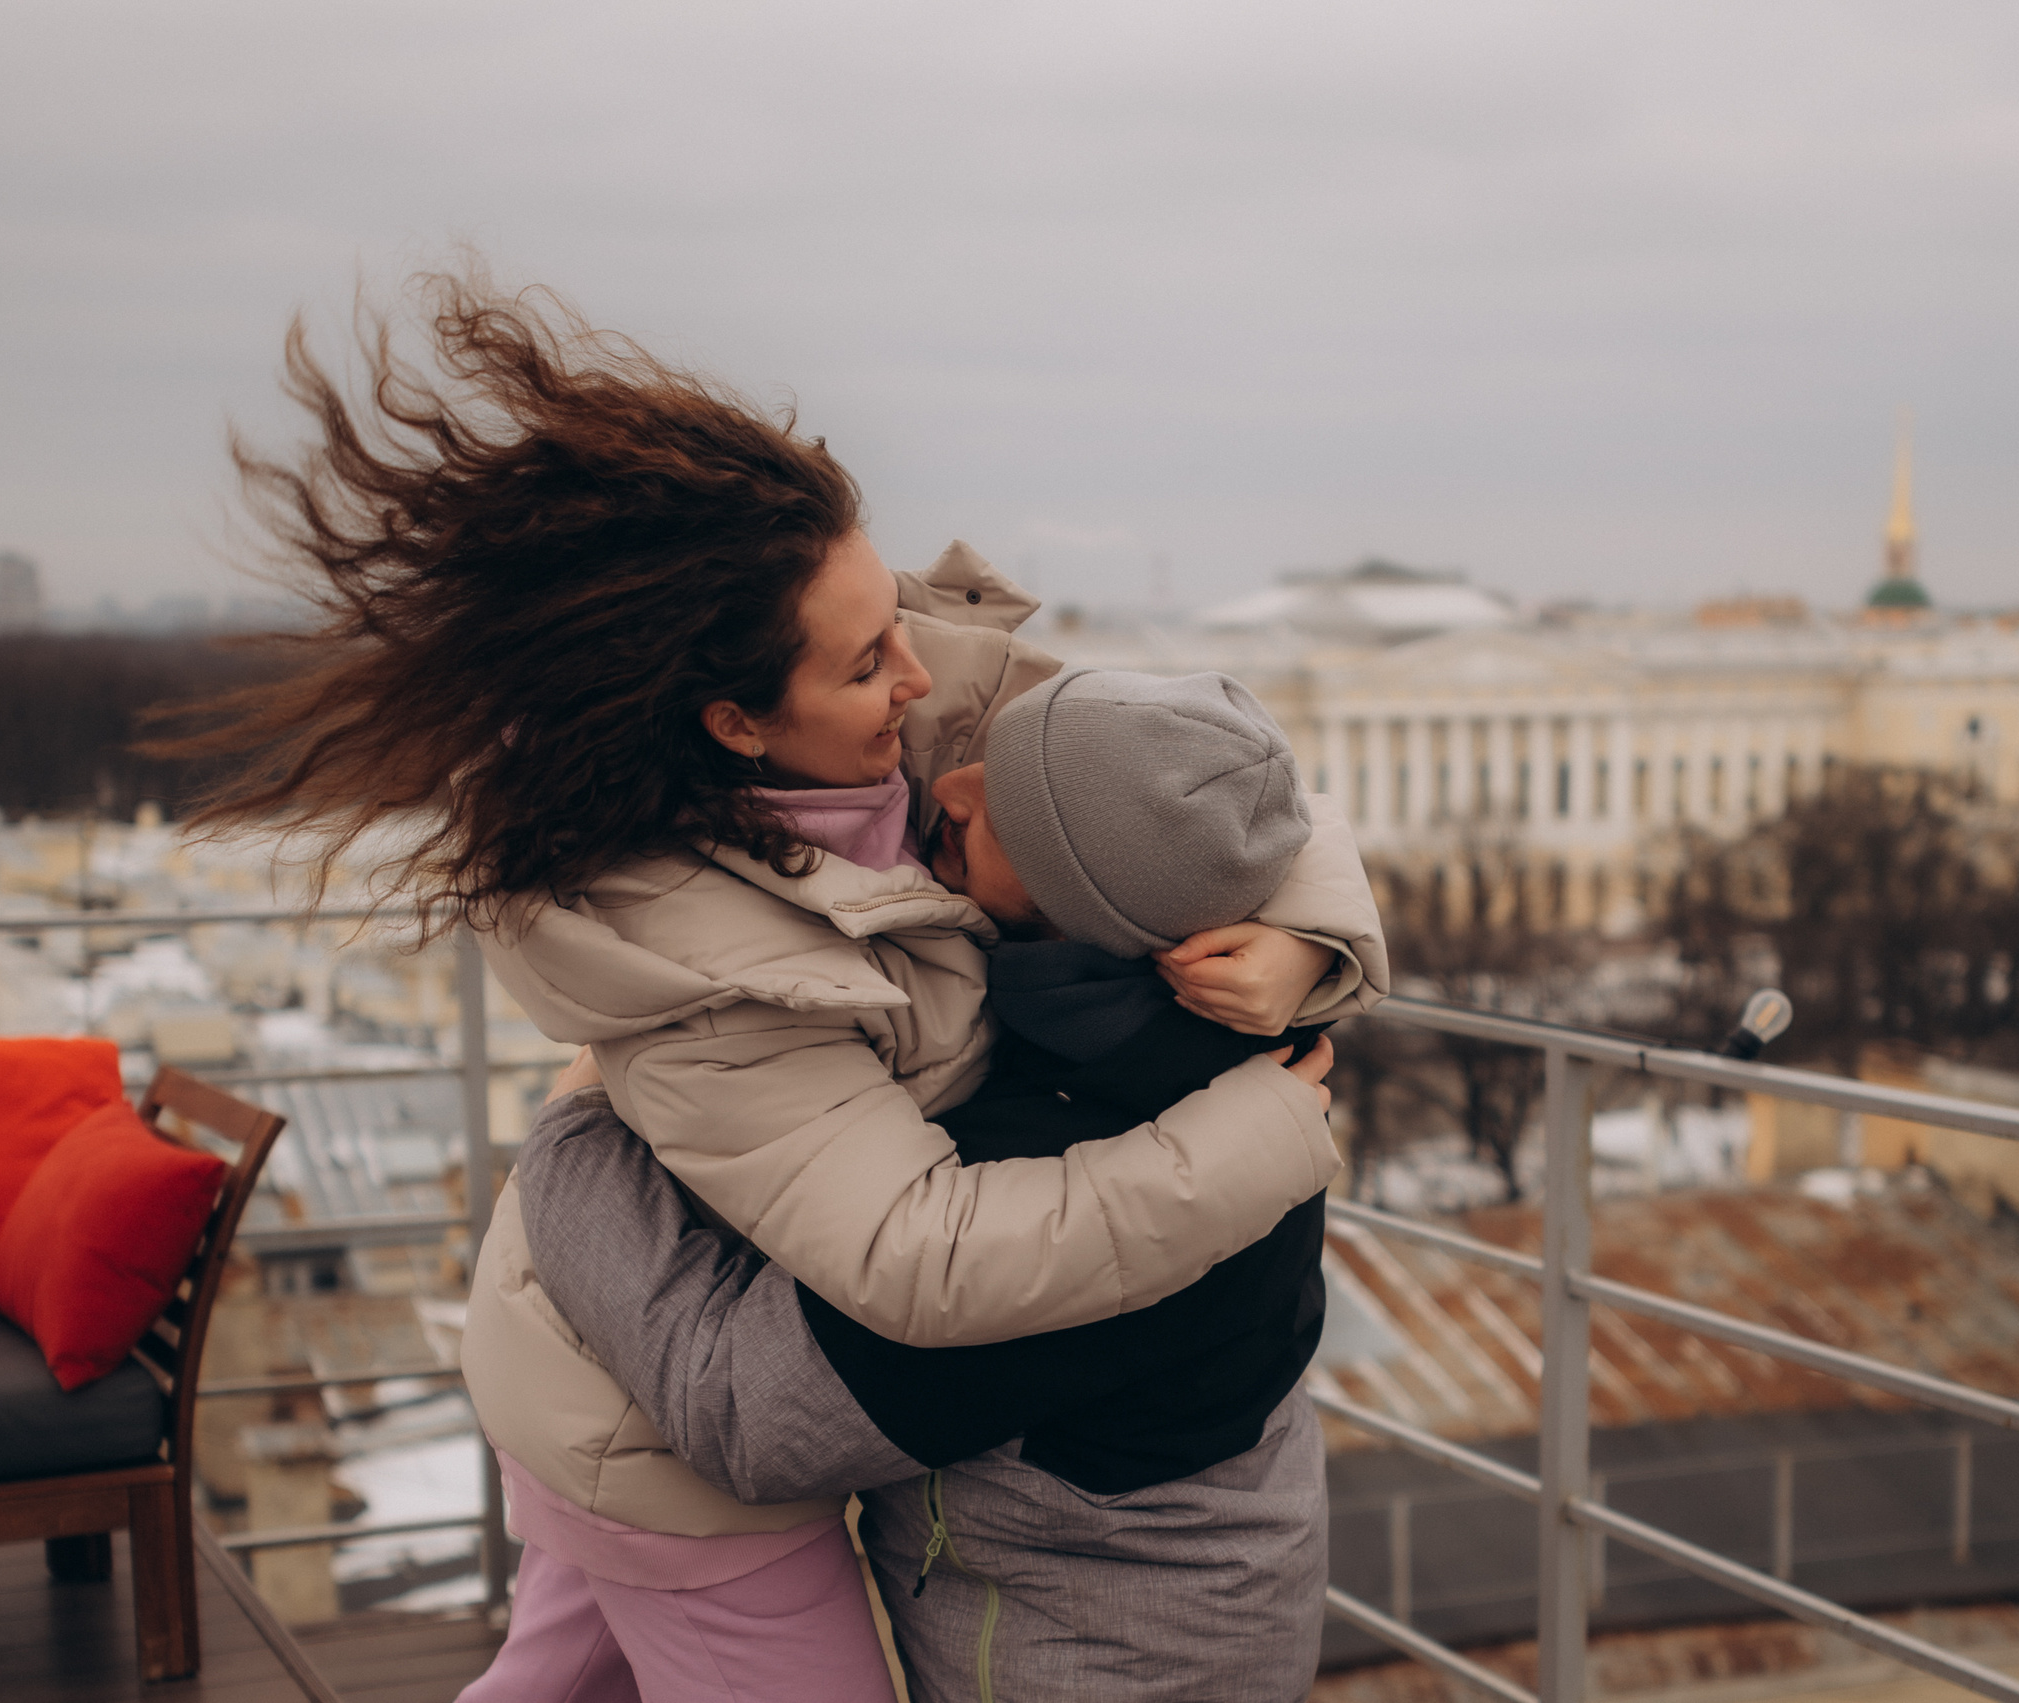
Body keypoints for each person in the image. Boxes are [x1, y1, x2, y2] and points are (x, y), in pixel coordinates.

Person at [161, 272, 1382, 1701]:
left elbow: (1205, 790)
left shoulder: (903, 719)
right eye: (870, 662)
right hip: (648, 1420)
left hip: (726, 1321)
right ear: (736, 719)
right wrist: (1262, 1135)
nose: (928, 688)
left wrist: (1308, 946)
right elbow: (917, 1257)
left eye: (898, 625)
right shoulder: (685, 953)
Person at [521, 666, 1384, 1700]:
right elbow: (1236, 803)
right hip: (1181, 1604)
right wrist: (1311, 934)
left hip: (1103, 1660)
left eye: (1004, 816)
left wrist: (578, 1126)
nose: (953, 785)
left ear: (1080, 910)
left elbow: (748, 1416)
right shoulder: (1162, 1016)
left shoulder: (1087, 1167)